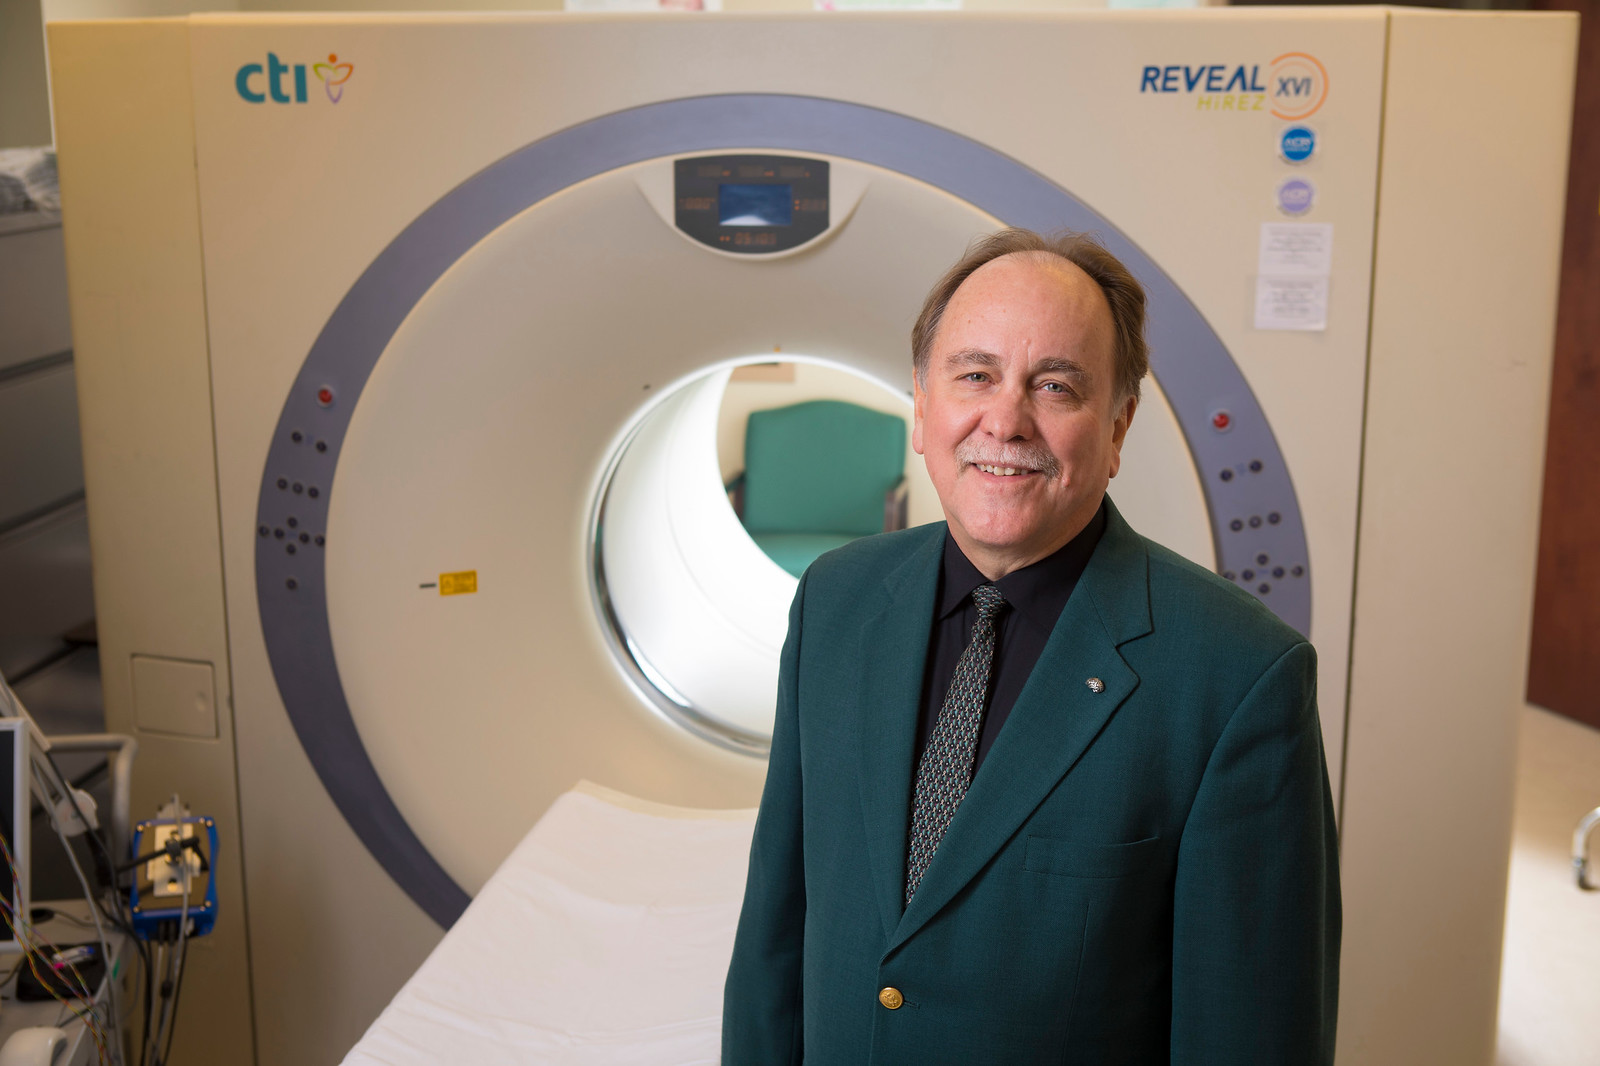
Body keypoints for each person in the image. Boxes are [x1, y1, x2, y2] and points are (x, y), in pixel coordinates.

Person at [721, 228, 1340, 1065]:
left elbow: (1250, 1035)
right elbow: (775, 934)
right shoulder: (836, 599)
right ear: (922, 405)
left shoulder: (1237, 678)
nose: (1006, 421)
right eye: (975, 375)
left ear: (1117, 428)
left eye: (1056, 386)